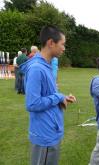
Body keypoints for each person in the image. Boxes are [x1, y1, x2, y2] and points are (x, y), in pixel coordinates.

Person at [20, 25, 77, 165]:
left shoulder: (47, 65)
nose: (64, 48)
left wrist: (62, 98)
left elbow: (48, 94)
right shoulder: (37, 69)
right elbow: (32, 103)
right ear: (51, 43)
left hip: (51, 131)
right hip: (44, 135)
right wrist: (58, 97)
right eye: (62, 44)